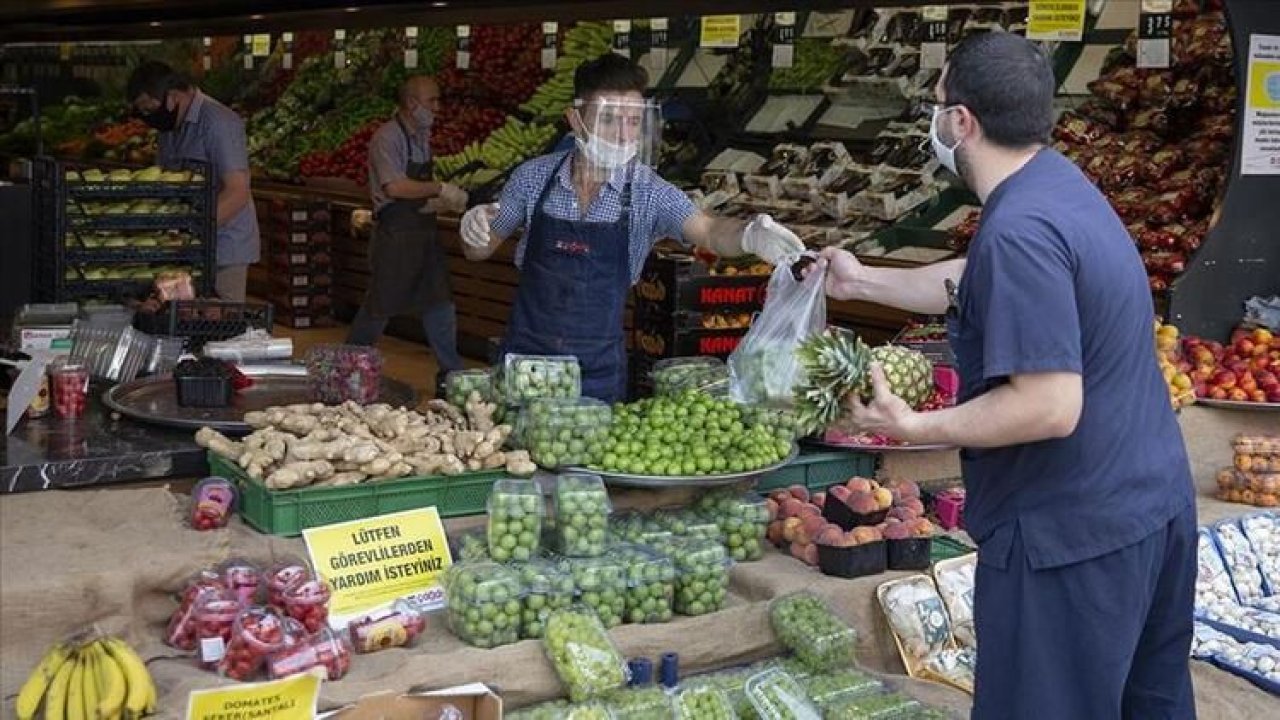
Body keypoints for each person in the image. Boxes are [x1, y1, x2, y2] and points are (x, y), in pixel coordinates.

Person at [817, 33, 1196, 720]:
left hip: (1070, 537)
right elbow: (978, 280)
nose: (934, 123)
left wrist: (911, 426)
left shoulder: (1018, 228)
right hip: (1149, 508)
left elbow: (1049, 406)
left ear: (961, 122)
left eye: (936, 108)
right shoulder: (1058, 188)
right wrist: (865, 278)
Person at [459, 54, 806, 402]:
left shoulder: (649, 192)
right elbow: (481, 249)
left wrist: (749, 234)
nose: (623, 135)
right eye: (609, 119)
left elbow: (709, 230)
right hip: (524, 361)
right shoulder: (532, 179)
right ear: (575, 120)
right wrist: (473, 227)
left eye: (633, 121)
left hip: (595, 371)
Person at [346, 75, 469, 396]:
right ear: (413, 104)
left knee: (440, 303)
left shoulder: (422, 135)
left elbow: (413, 193)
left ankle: (451, 374)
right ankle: (346, 368)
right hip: (397, 237)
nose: (437, 108)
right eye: (433, 101)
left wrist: (435, 204)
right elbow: (395, 187)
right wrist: (439, 188)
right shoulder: (387, 138)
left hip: (423, 234)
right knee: (380, 306)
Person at [127, 61, 259, 301]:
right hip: (185, 248)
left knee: (219, 321)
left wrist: (195, 231)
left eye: (149, 109)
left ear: (173, 97)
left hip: (223, 248)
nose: (148, 117)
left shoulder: (218, 123)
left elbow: (237, 191)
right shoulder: (168, 129)